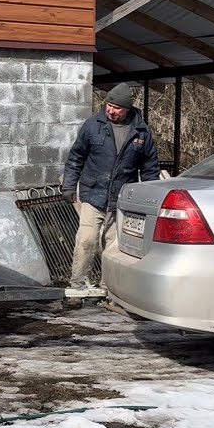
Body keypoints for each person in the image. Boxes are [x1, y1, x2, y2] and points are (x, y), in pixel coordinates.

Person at [61, 82, 160, 306]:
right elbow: (76, 157)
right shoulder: (92, 126)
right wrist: (68, 186)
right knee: (86, 240)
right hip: (93, 194)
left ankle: (109, 289)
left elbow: (150, 169)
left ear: (127, 108)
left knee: (113, 247)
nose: (111, 110)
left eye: (116, 107)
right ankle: (77, 287)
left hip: (122, 199)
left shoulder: (141, 132)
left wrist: (152, 199)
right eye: (109, 104)